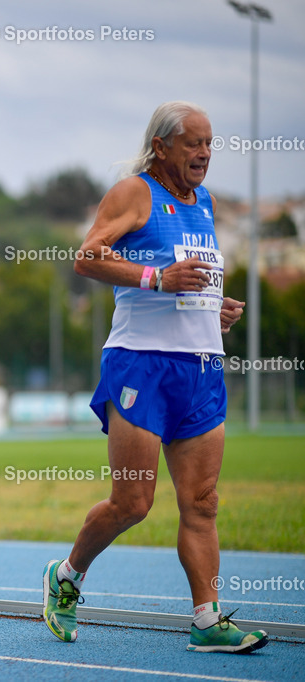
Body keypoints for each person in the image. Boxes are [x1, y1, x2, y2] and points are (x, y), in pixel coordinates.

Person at [43, 101, 266, 653]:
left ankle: (208, 621)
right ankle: (66, 576)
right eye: (193, 143)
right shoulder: (134, 192)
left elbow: (187, 282)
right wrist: (157, 278)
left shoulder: (207, 203)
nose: (205, 153)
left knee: (204, 502)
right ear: (162, 146)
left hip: (201, 367)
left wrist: (213, 310)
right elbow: (87, 257)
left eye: (210, 143)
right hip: (142, 363)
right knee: (133, 504)